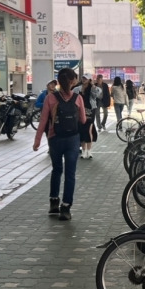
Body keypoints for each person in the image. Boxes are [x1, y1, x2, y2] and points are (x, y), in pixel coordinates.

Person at [33, 68, 86, 221]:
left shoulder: (50, 98)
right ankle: (66, 207)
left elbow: (43, 120)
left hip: (54, 138)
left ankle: (53, 202)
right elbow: (82, 120)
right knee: (70, 174)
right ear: (72, 81)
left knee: (57, 170)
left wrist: (37, 141)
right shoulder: (78, 98)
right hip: (72, 139)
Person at [74, 73, 101, 159]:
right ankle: (83, 151)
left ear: (90, 80)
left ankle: (89, 151)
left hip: (90, 111)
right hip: (80, 111)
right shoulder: (77, 89)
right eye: (83, 78)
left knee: (88, 130)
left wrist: (93, 85)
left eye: (86, 78)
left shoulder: (93, 88)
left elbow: (97, 94)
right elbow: (71, 95)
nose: (84, 79)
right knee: (81, 129)